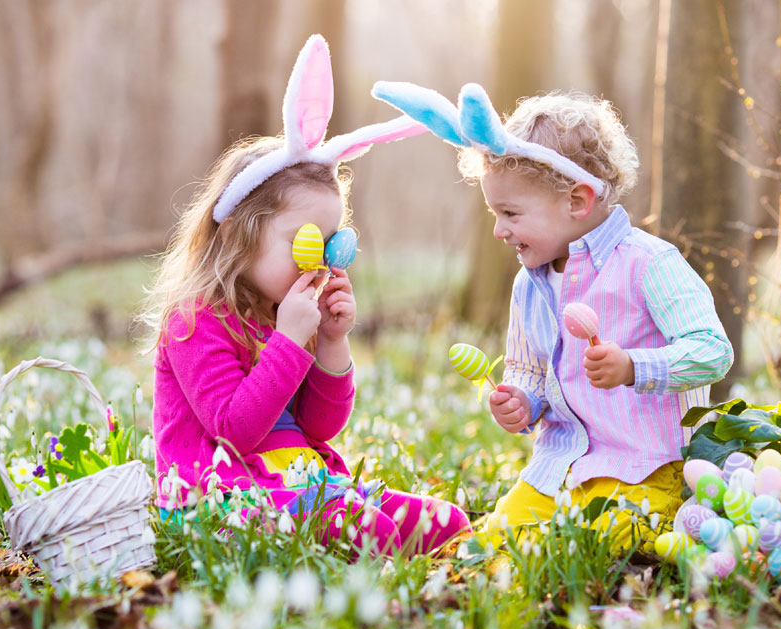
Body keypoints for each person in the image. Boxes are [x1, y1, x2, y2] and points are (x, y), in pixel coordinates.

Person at [140, 36, 470, 557]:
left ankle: (369, 532)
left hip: (302, 480)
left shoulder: (284, 309)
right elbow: (235, 431)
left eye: (334, 241)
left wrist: (331, 343)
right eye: (307, 241)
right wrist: (292, 340)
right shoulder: (194, 321)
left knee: (445, 522)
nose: (322, 262)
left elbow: (319, 427)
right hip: (222, 498)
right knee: (375, 534)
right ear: (237, 234)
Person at [373, 82, 733, 549]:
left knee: (591, 546)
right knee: (490, 546)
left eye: (511, 213)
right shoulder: (530, 283)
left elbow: (712, 351)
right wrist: (524, 400)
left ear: (577, 202)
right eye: (494, 214)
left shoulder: (650, 264)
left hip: (644, 465)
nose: (500, 231)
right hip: (558, 465)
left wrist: (633, 367)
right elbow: (529, 367)